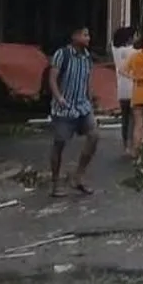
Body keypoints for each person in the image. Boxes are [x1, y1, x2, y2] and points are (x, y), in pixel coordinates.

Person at [47, 27, 98, 198]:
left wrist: (91, 100)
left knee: (94, 136)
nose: (88, 38)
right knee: (60, 144)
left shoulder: (87, 57)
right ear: (74, 36)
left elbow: (87, 80)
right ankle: (56, 182)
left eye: (88, 35)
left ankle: (79, 176)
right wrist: (59, 97)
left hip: (82, 106)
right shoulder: (62, 54)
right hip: (64, 108)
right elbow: (52, 79)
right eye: (84, 35)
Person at [111, 26, 136, 152]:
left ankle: (125, 144)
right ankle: (132, 144)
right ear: (128, 39)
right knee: (134, 118)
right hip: (133, 88)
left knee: (125, 118)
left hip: (121, 90)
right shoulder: (133, 52)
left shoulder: (115, 51)